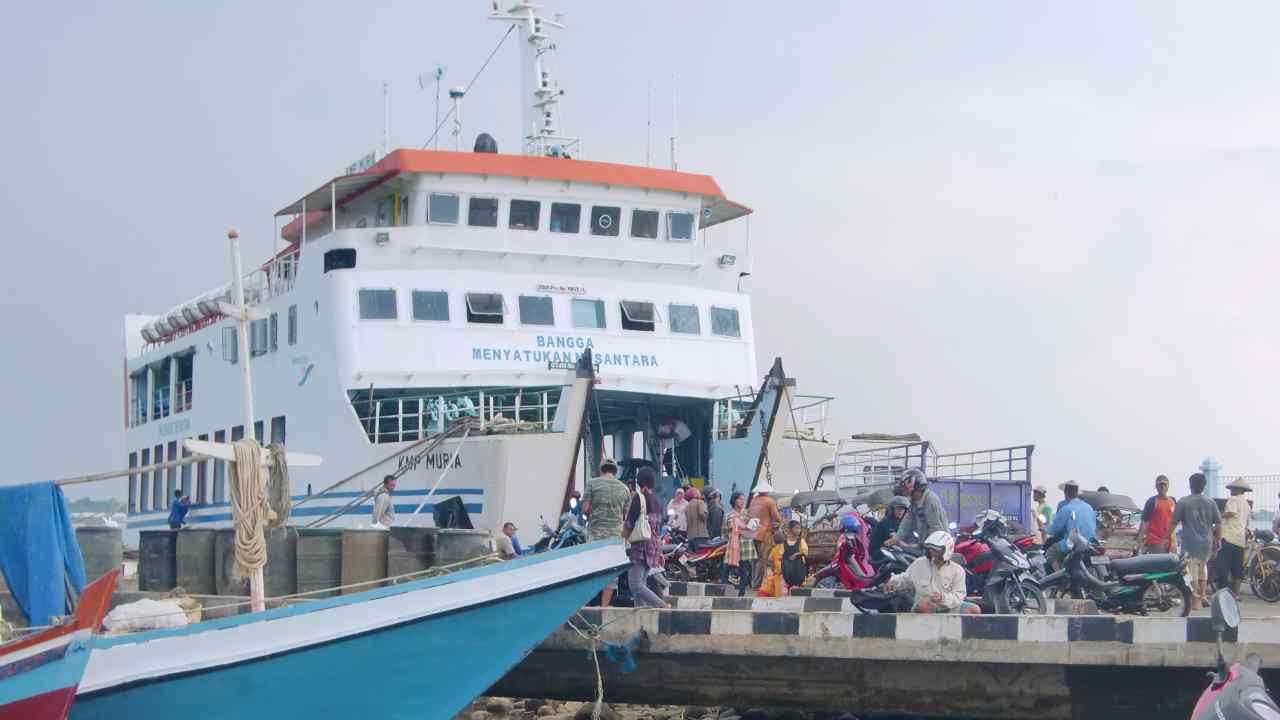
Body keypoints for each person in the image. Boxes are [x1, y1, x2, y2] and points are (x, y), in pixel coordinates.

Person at [885, 531, 980, 614]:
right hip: (926, 607)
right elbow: (906, 578)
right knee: (924, 606)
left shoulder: (958, 570)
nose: (932, 553)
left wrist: (942, 598)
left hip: (949, 607)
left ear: (946, 551)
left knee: (974, 609)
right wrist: (893, 582)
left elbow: (959, 595)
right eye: (930, 550)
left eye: (936, 550)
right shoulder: (919, 563)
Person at [583, 458, 632, 606]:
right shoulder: (624, 489)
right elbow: (626, 516)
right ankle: (604, 607)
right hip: (615, 538)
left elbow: (585, 509)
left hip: (595, 535)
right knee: (611, 572)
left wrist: (594, 514)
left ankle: (587, 603)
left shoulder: (592, 483)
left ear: (601, 469)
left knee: (592, 569)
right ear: (615, 471)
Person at [1172, 472, 1222, 609]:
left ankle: (1196, 600)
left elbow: (1173, 523)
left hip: (1190, 542)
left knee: (1192, 569)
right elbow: (1218, 523)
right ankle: (1204, 595)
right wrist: (1218, 540)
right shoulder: (1210, 502)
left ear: (1190, 485)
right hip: (1207, 542)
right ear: (1204, 486)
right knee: (1203, 566)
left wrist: (1166, 537)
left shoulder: (1183, 501)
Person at [623, 467, 669, 609]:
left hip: (640, 547)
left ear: (639, 481)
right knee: (641, 585)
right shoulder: (658, 501)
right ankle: (640, 619)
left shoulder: (639, 498)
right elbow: (658, 529)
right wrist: (660, 551)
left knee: (635, 585)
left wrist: (620, 538)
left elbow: (629, 523)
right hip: (653, 547)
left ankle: (663, 606)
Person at [886, 470, 947, 550]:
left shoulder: (930, 500)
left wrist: (930, 548)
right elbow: (908, 521)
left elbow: (936, 528)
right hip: (926, 546)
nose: (904, 490)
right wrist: (897, 538)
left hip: (937, 548)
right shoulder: (915, 501)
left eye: (905, 486)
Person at [1044, 480, 1097, 571]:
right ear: (1077, 493)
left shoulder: (1067, 508)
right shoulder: (1089, 507)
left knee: (1050, 553)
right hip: (1090, 542)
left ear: (1065, 493)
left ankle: (1062, 579)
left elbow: (1054, 529)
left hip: (1073, 543)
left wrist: (1044, 529)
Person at [1218, 478, 1253, 598]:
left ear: (1238, 490)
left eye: (1233, 489)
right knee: (1237, 569)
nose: (1231, 491)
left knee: (1223, 567)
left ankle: (1223, 594)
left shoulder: (1233, 500)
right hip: (1240, 540)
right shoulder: (1247, 505)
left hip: (1228, 537)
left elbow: (1230, 513)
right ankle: (1236, 593)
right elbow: (1246, 523)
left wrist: (1218, 516)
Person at [747, 480, 782, 587]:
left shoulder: (753, 500)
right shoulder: (769, 501)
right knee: (763, 560)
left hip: (752, 532)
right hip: (764, 534)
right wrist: (780, 521)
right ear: (767, 491)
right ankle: (757, 584)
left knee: (754, 559)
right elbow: (777, 518)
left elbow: (749, 515)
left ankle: (753, 582)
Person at [722, 491, 756, 596]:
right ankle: (727, 590)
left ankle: (742, 592)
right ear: (734, 500)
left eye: (743, 499)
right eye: (740, 499)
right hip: (733, 548)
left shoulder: (747, 514)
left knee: (744, 570)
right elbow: (724, 532)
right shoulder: (728, 515)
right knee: (727, 569)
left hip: (745, 547)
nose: (742, 501)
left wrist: (741, 531)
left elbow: (753, 530)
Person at [1136, 475, 1177, 554]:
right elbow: (1144, 522)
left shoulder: (1173, 501)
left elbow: (1175, 520)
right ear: (1156, 486)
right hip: (1155, 541)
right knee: (1159, 564)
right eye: (1160, 484)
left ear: (1168, 486)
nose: (1162, 487)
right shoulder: (1152, 501)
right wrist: (1140, 540)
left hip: (1170, 541)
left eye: (1164, 484)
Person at [756, 530, 787, 598]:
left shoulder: (774, 550)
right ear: (784, 539)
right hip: (784, 576)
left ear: (774, 541)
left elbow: (769, 564)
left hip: (777, 575)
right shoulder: (788, 548)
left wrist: (769, 574)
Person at [781, 520, 809, 592]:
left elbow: (805, 552)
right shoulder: (784, 542)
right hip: (786, 571)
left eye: (799, 528)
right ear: (790, 529)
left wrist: (797, 554)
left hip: (798, 571)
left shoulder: (801, 541)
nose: (798, 530)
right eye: (796, 528)